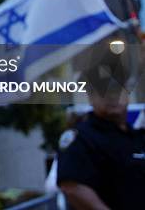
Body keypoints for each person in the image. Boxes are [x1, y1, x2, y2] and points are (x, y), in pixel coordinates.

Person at [56, 59, 145, 209]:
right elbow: (71, 187)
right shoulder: (82, 137)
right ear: (91, 98)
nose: (112, 96)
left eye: (117, 90)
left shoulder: (137, 137)